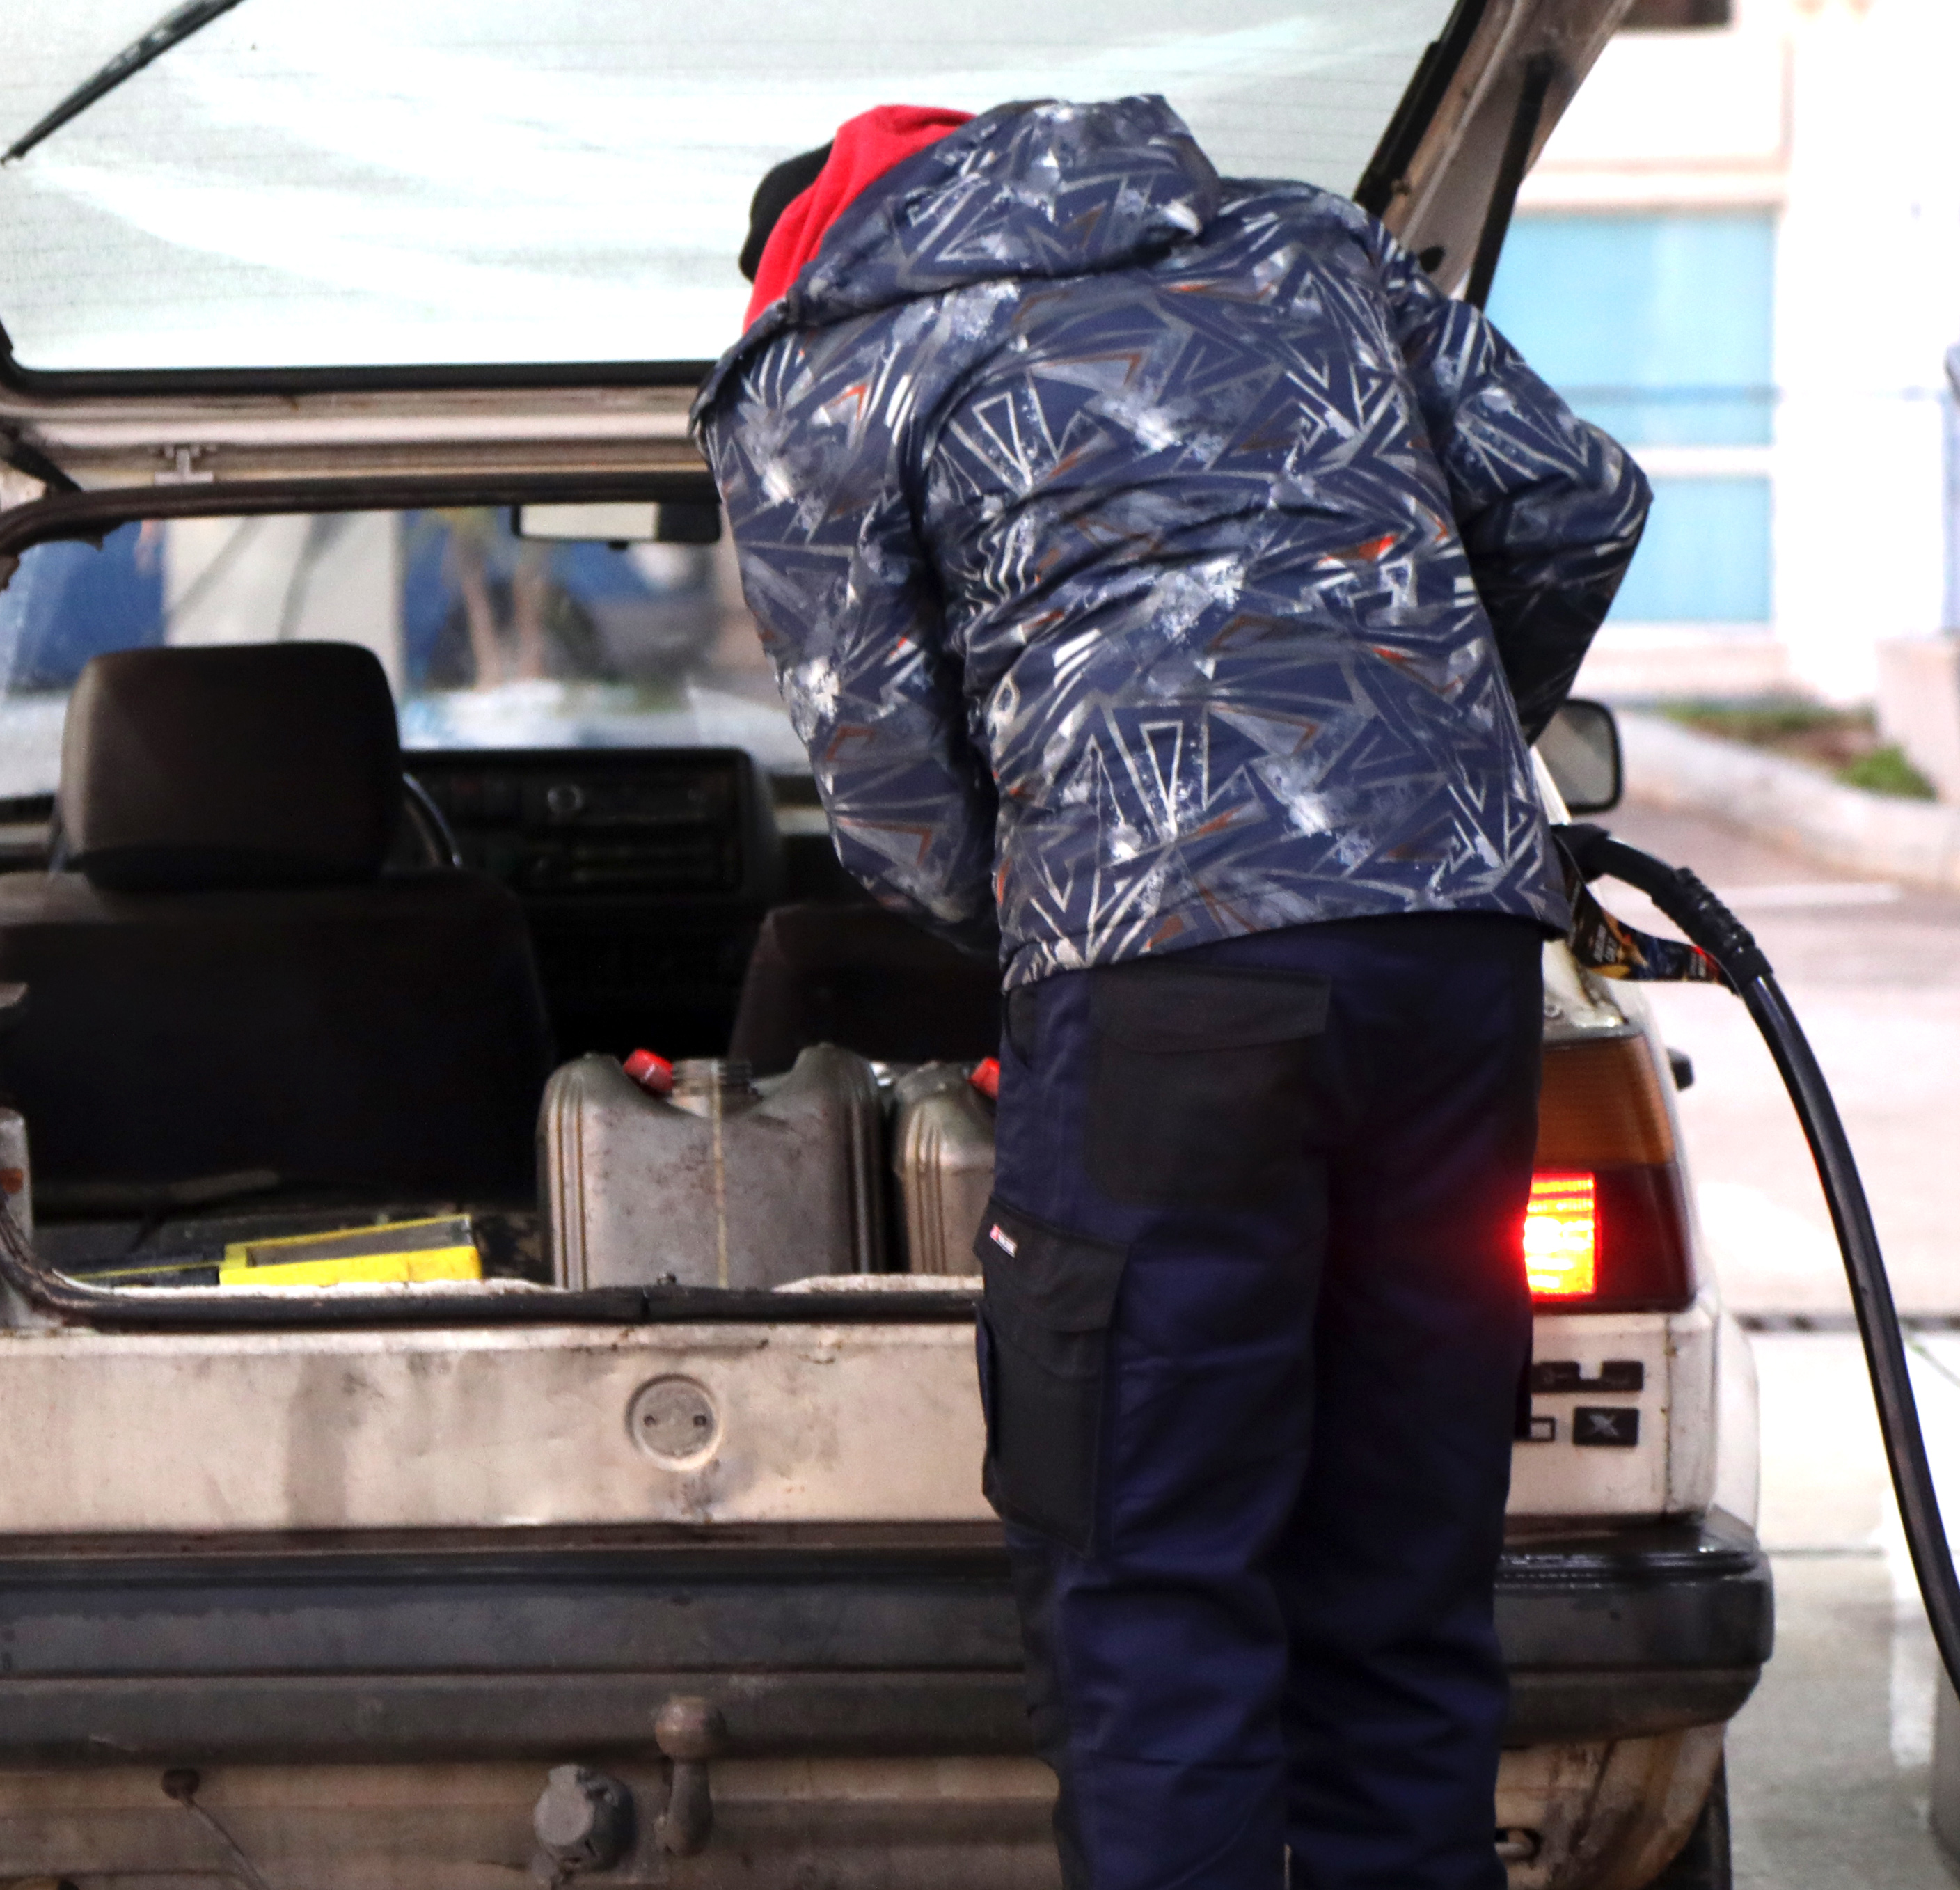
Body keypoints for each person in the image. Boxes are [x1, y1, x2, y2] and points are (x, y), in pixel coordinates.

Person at [695, 98, 1647, 1890]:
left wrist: (1047, 890)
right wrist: (1414, 758)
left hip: (1165, 984)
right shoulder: (1300, 245)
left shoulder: (829, 357)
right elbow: (1573, 490)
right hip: (1448, 959)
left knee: (1151, 1580)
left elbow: (883, 784)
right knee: (1403, 1571)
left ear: (794, 252)